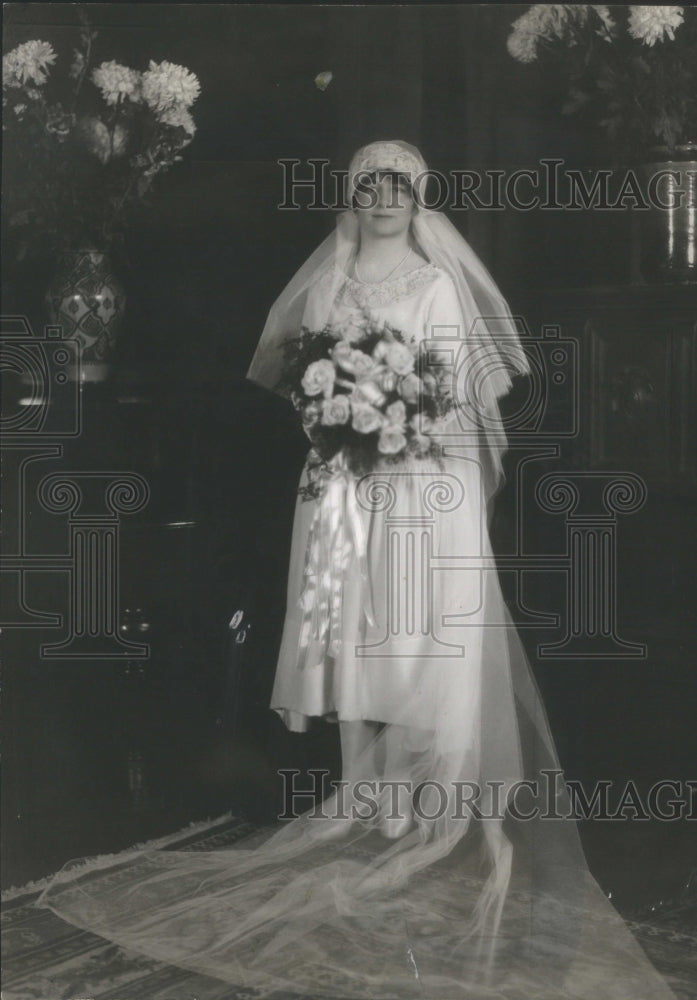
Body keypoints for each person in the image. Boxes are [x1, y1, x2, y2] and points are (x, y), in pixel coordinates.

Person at [38, 141, 678, 1000]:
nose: (383, 200)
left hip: (421, 482)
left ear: (418, 200)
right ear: (350, 196)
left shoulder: (436, 283)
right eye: (368, 187)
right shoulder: (331, 284)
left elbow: (453, 389)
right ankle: (367, 789)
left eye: (398, 188)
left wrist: (400, 424)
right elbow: (308, 385)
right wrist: (340, 425)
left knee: (417, 633)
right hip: (343, 481)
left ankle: (433, 797)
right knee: (354, 635)